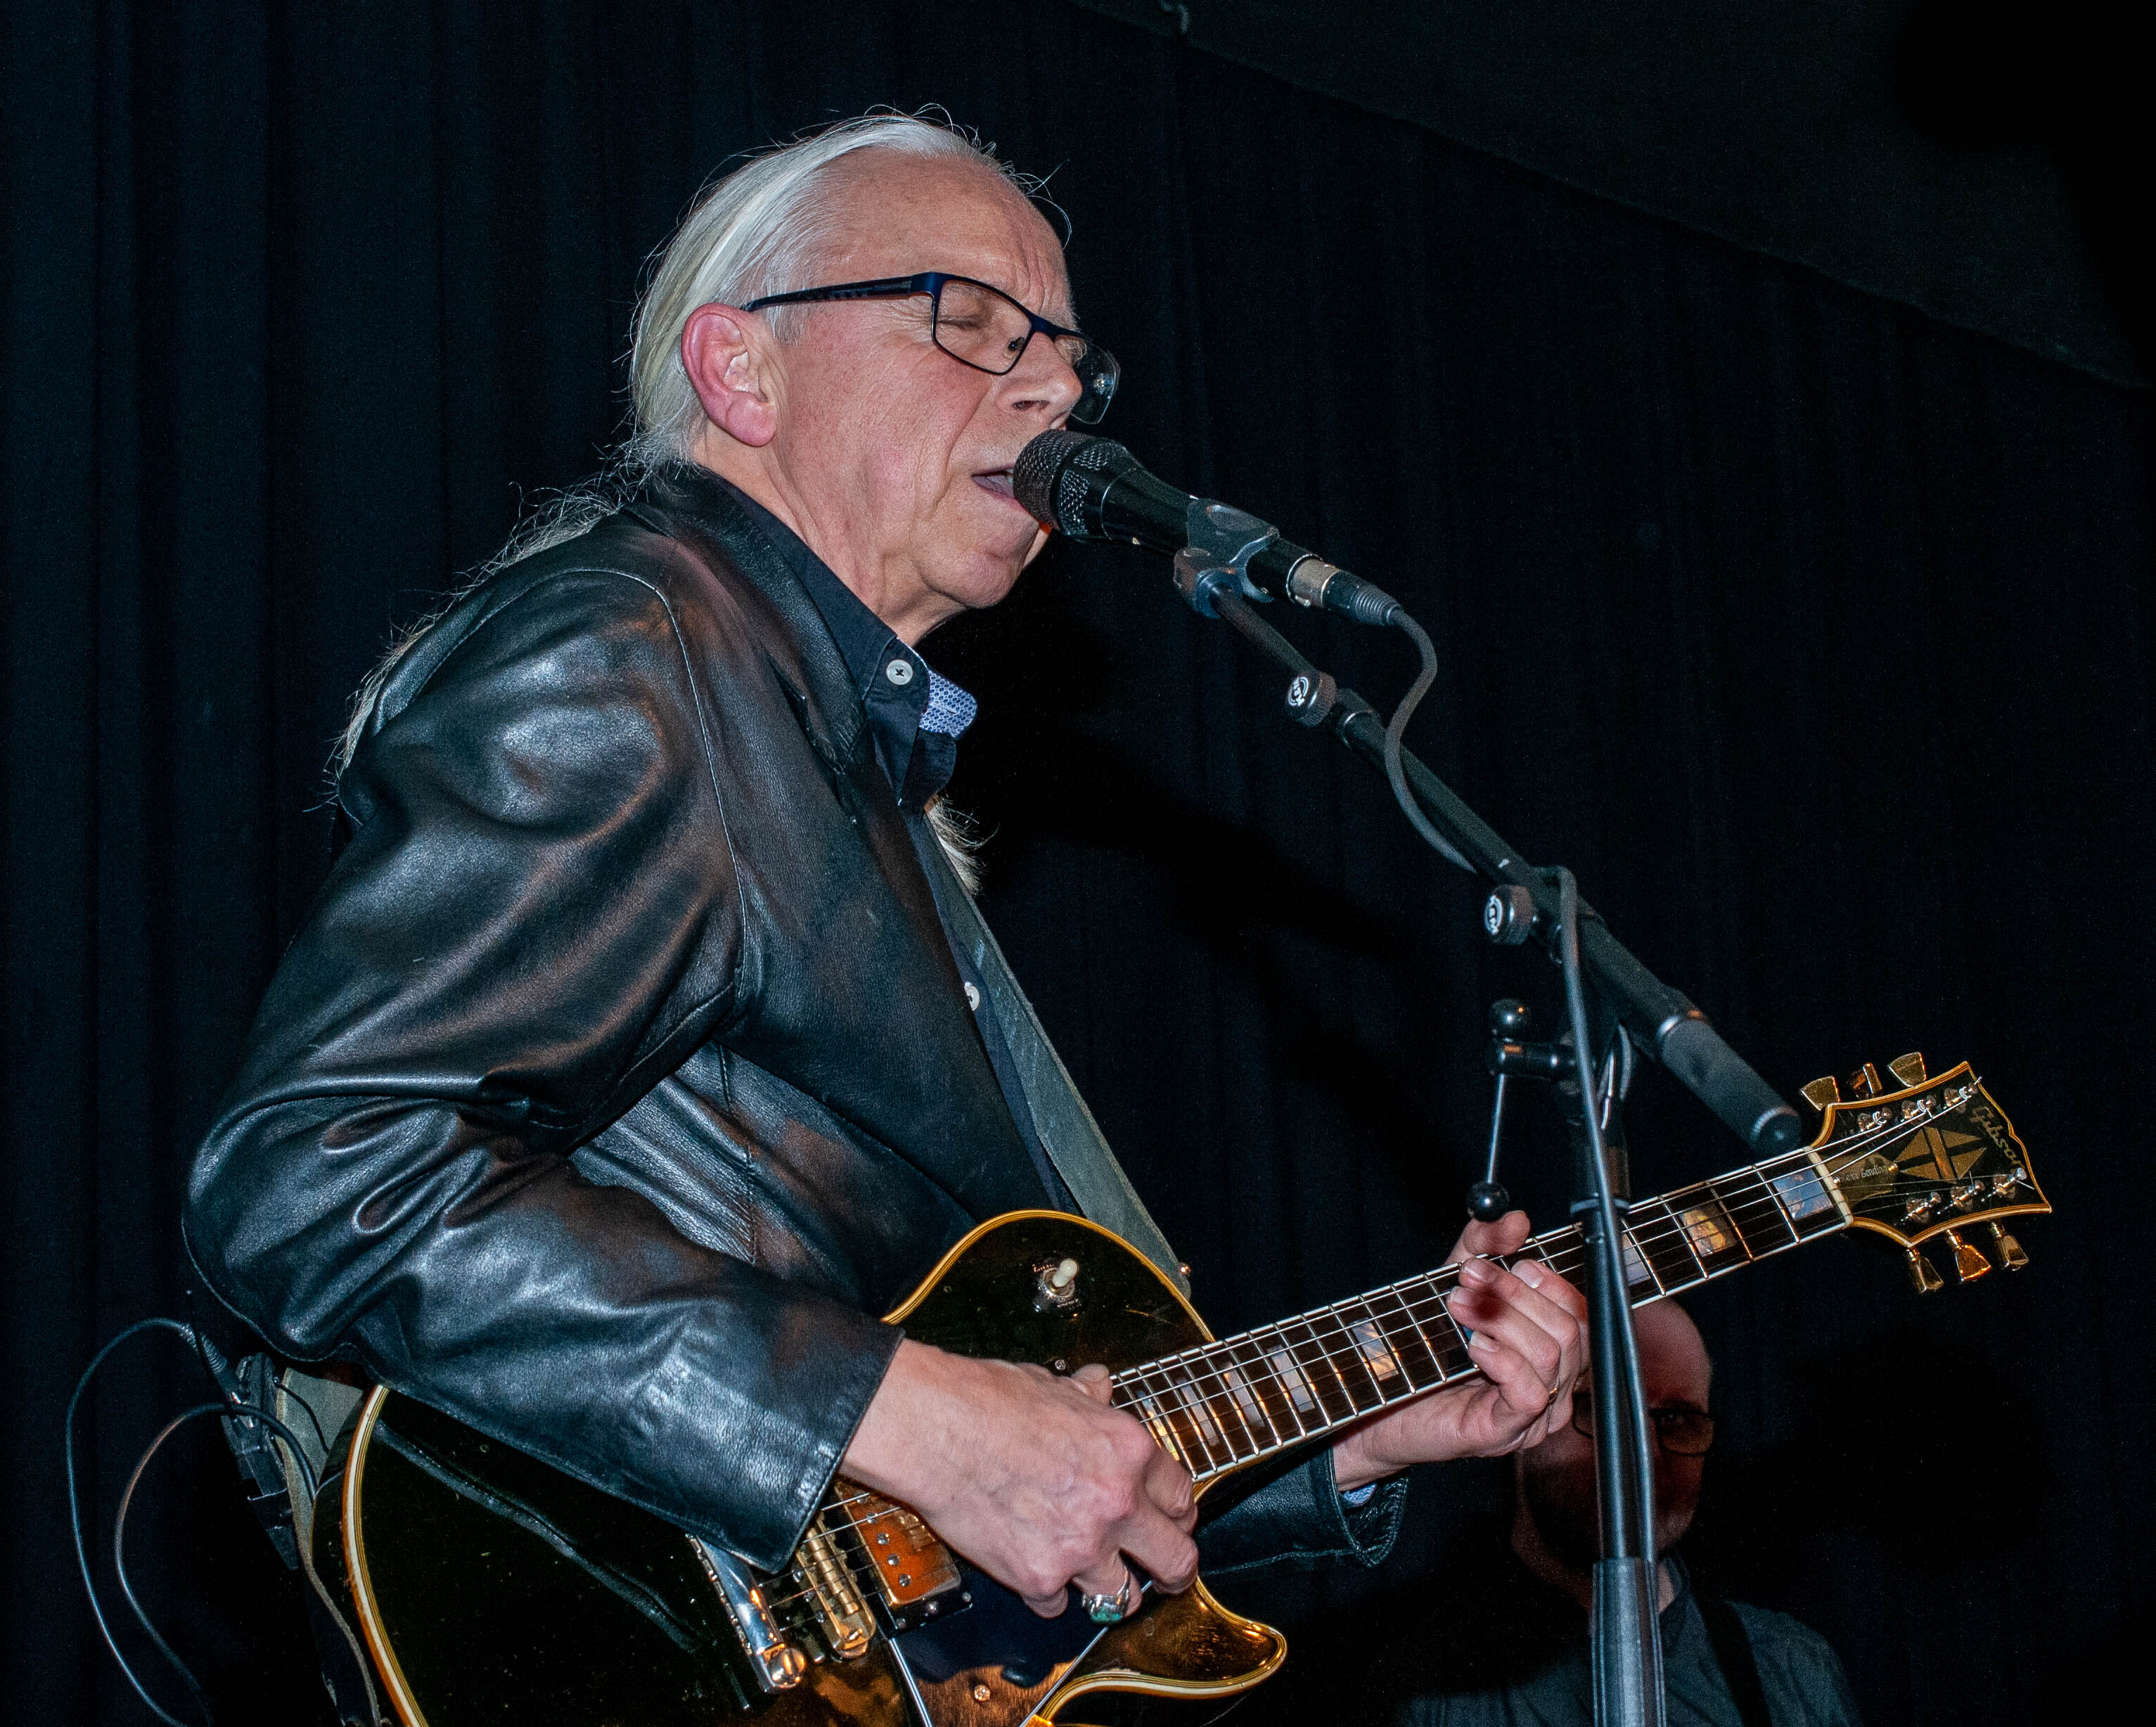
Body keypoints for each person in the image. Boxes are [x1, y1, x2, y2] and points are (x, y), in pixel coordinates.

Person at [183, 113, 1586, 1638]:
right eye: (971, 323)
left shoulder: (850, 763)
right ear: (743, 370)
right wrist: (915, 1416)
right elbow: (320, 1168)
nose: (1054, 385)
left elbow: (989, 1516)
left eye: (1068, 355)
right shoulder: (638, 657)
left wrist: (1355, 1437)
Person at [1384, 1300, 1861, 1726]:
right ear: (1520, 1425)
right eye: (1606, 1413)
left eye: (1676, 1420)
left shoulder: (1788, 1666)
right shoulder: (1418, 1683)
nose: (1646, 1454)